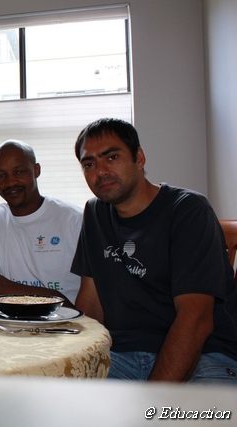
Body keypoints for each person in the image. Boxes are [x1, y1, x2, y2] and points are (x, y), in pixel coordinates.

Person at [71, 118, 237, 382]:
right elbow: (91, 302)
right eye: (89, 164)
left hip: (205, 356)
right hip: (122, 355)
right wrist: (75, 362)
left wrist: (154, 398)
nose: (100, 171)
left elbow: (196, 320)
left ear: (139, 158)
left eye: (112, 157)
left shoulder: (188, 210)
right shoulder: (95, 213)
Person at [0, 140, 82, 304]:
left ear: (36, 170)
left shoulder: (74, 218)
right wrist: (51, 297)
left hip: (64, 316)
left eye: (19, 172)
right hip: (9, 316)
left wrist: (59, 304)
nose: (10, 182)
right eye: (0, 175)